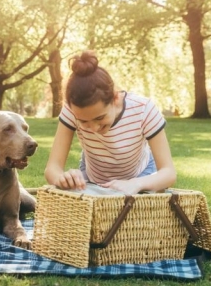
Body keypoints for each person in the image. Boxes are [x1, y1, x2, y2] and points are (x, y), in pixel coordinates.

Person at [44, 50, 176, 195]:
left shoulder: (143, 110)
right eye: (83, 121)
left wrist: (135, 184)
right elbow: (52, 169)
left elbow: (168, 173)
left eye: (99, 118)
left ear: (115, 98)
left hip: (140, 176)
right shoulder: (71, 110)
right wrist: (63, 179)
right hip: (93, 177)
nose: (93, 128)